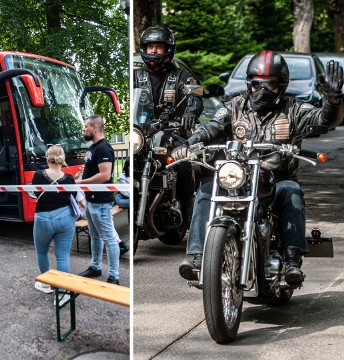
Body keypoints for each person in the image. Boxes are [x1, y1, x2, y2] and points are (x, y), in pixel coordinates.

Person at [174, 51, 344, 285]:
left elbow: (324, 120)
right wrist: (189, 144)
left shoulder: (293, 109)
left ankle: (292, 261)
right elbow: (212, 127)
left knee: (291, 192)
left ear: (281, 85)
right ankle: (196, 257)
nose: (261, 89)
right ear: (249, 84)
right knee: (206, 190)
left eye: (270, 84)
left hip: (277, 177)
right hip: (239, 176)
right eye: (256, 84)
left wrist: (333, 101)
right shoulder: (234, 107)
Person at [134, 25, 203, 227]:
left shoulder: (181, 76)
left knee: (182, 166)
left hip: (173, 133)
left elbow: (195, 97)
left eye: (159, 47)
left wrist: (190, 112)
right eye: (150, 47)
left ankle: (187, 212)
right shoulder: (136, 77)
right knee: (131, 164)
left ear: (168, 49)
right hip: (144, 134)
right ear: (144, 49)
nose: (154, 51)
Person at [75, 114, 120, 284]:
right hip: (91, 200)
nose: (83, 130)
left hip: (101, 201)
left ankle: (114, 276)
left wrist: (81, 182)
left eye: (86, 126)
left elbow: (104, 175)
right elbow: (95, 171)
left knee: (109, 238)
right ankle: (95, 266)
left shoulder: (104, 148)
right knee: (95, 236)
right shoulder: (93, 148)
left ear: (94, 128)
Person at [31, 145, 76, 306]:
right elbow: (74, 196)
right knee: (63, 256)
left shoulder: (38, 175)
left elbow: (36, 193)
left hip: (42, 218)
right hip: (65, 218)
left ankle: (47, 283)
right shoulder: (69, 179)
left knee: (42, 252)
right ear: (62, 158)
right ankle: (63, 294)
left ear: (47, 159)